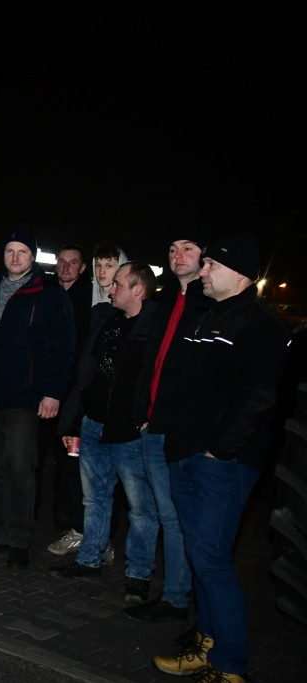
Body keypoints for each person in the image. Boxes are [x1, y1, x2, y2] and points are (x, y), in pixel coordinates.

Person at [151, 232, 289, 683]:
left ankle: (230, 665)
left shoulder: (260, 324)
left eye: (211, 265)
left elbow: (260, 397)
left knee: (211, 557)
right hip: (185, 454)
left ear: (240, 274)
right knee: (199, 554)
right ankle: (207, 645)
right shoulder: (207, 316)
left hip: (221, 464)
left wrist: (219, 450)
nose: (202, 271)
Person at [0, 229, 75, 569]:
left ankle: (19, 539)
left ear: (32, 257)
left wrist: (53, 392)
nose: (15, 257)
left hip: (26, 396)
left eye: (22, 251)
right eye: (9, 250)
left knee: (21, 467)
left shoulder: (48, 294)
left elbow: (62, 349)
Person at [50, 262, 160, 604]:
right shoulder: (107, 321)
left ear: (138, 289)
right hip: (93, 424)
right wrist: (72, 422)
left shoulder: (155, 329)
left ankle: (138, 575)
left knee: (140, 508)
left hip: (128, 432)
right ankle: (89, 558)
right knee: (94, 498)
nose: (111, 289)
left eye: (118, 284)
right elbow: (85, 375)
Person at [125, 231, 209, 621]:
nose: (178, 255)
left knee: (176, 517)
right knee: (163, 513)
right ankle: (171, 594)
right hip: (153, 424)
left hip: (182, 431)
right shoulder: (164, 304)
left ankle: (176, 598)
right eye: (172, 249)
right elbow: (150, 365)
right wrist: (143, 413)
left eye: (188, 248)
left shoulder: (208, 306)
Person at [44, 243, 94, 552]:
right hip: (46, 390)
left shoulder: (90, 301)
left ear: (82, 268)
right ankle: (52, 517)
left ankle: (71, 522)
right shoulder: (48, 293)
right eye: (62, 262)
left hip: (74, 394)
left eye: (73, 262)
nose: (65, 267)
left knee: (70, 461)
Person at [91, 241, 129, 306]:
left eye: (108, 266)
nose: (101, 271)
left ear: (120, 268)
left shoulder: (126, 305)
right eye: (98, 265)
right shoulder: (84, 298)